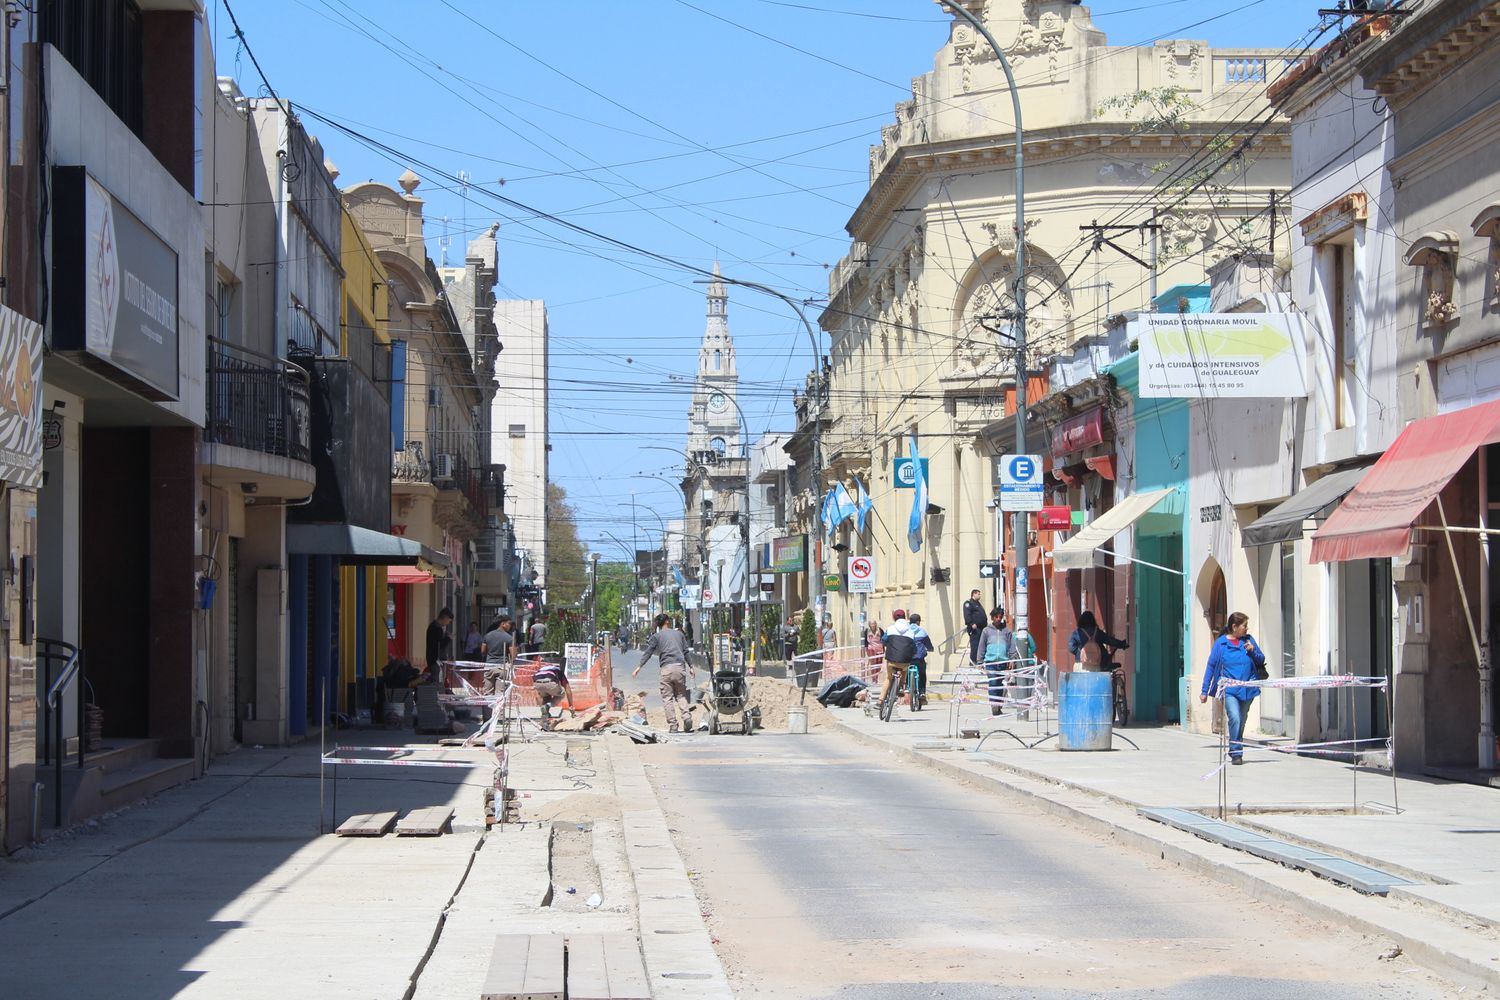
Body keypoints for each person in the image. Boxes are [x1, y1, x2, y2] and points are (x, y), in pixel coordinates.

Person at [1200, 611, 1265, 765]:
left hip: (1248, 688)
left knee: (1241, 720)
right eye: (1244, 626)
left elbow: (1261, 659)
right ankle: (1236, 752)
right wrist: (1204, 690)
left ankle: (1236, 745)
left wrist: (1253, 651)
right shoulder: (1221, 644)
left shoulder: (1249, 641)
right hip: (1230, 690)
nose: (1246, 629)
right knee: (1234, 718)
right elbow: (1211, 666)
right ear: (1234, 627)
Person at [634, 613, 697, 733]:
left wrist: (639, 666)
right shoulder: (679, 634)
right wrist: (691, 667)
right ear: (667, 622)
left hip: (666, 669)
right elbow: (686, 651)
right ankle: (687, 717)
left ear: (658, 624)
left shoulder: (656, 637)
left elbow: (648, 652)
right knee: (681, 695)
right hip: (679, 667)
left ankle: (673, 725)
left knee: (667, 698)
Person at [879, 610, 918, 709]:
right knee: (904, 669)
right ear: (905, 618)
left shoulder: (890, 629)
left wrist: (888, 644)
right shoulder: (911, 631)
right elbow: (914, 647)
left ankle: (880, 700)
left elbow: (883, 640)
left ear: (893, 618)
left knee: (888, 678)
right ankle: (901, 686)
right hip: (905, 660)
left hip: (892, 660)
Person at [978, 607, 1012, 716]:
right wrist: (980, 661)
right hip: (991, 662)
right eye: (996, 617)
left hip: (1003, 662)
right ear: (992, 618)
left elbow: (1011, 646)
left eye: (1000, 617)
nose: (998, 619)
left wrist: (1012, 659)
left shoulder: (1006, 631)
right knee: (993, 683)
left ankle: (998, 704)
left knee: (1000, 684)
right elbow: (982, 646)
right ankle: (994, 706)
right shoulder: (986, 631)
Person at [531, 658, 574, 730]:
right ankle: (548, 706)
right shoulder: (558, 670)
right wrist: (571, 706)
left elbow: (538, 695)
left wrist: (540, 704)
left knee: (545, 695)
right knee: (562, 693)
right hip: (550, 680)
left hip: (537, 682)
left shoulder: (542, 669)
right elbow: (568, 689)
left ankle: (545, 716)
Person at [481, 616, 517, 696]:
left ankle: (488, 708)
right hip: (502, 667)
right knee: (499, 694)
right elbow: (513, 655)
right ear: (503, 624)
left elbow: (483, 651)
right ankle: (498, 708)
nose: (510, 626)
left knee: (487, 692)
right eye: (509, 623)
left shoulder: (487, 635)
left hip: (489, 667)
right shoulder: (509, 638)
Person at [908, 612, 933, 706]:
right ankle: (922, 691)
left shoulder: (906, 630)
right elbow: (928, 643)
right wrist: (931, 649)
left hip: (908, 657)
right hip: (919, 658)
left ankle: (907, 685)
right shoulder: (922, 631)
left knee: (905, 669)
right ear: (918, 622)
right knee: (922, 673)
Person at [426, 608, 453, 679]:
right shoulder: (438, 628)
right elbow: (439, 645)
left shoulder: (432, 625)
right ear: (445, 617)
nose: (448, 623)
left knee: (436, 679)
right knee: (437, 680)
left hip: (432, 658)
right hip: (436, 660)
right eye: (449, 621)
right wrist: (448, 638)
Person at [963, 589, 987, 665]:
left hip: (981, 628)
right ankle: (973, 661)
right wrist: (971, 623)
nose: (980, 595)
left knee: (981, 644)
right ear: (974, 594)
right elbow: (967, 614)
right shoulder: (969, 603)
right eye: (978, 594)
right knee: (975, 645)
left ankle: (979, 660)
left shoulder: (978, 604)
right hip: (975, 629)